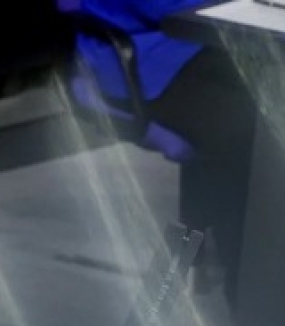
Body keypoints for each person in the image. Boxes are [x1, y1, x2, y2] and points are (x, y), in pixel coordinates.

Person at [64, 0, 256, 306]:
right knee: (255, 136)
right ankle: (252, 302)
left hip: (203, 45)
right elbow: (168, 8)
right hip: (142, 56)